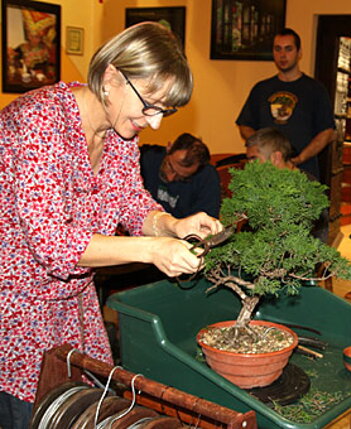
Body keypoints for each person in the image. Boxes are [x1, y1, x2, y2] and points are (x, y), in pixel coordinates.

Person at [0, 22, 223, 429]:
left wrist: (173, 224)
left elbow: (132, 204)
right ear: (112, 77)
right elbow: (53, 243)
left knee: (83, 410)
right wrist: (153, 251)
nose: (154, 123)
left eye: (164, 111)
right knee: (30, 416)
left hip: (74, 307)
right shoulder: (37, 122)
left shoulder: (119, 131)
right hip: (17, 312)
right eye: (150, 105)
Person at [236, 28, 336, 180]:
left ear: (299, 52)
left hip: (303, 171)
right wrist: (264, 150)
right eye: (278, 49)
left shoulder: (315, 89)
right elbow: (245, 125)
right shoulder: (261, 89)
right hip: (265, 172)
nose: (282, 55)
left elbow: (327, 132)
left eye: (288, 49)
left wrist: (299, 159)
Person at [245, 127, 329, 242]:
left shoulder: (308, 189)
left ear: (276, 157)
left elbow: (311, 238)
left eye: (254, 159)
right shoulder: (264, 184)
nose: (249, 166)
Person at [140, 132, 221, 218]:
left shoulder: (207, 177)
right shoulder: (146, 157)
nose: (170, 178)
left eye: (182, 177)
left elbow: (204, 223)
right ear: (169, 147)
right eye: (170, 166)